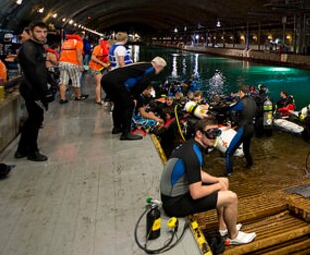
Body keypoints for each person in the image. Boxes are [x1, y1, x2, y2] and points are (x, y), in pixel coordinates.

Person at [160, 118, 256, 247]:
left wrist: (218, 180)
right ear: (199, 134)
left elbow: (197, 173)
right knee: (231, 198)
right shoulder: (193, 154)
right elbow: (196, 193)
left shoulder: (193, 146)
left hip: (176, 195)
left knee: (224, 181)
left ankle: (223, 228)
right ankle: (234, 236)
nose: (214, 137)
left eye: (217, 133)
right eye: (210, 133)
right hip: (175, 204)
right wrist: (217, 185)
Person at [101, 57, 167, 140]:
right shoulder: (152, 70)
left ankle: (117, 128)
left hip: (106, 79)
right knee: (129, 105)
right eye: (162, 69)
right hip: (116, 83)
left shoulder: (143, 64)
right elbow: (142, 84)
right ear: (160, 66)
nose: (160, 71)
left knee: (118, 103)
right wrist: (134, 97)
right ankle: (126, 133)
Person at [14, 22, 50, 161]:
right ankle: (32, 152)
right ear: (31, 32)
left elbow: (42, 69)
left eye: (45, 32)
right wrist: (44, 90)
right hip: (32, 88)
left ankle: (22, 149)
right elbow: (32, 71)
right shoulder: (29, 47)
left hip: (35, 87)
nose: (42, 34)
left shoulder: (38, 47)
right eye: (38, 31)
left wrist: (51, 82)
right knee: (36, 119)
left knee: (33, 119)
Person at [222, 86, 257, 173]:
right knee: (246, 150)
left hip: (243, 129)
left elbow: (229, 109)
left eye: (238, 93)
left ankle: (229, 173)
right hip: (251, 128)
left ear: (241, 92)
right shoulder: (253, 101)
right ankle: (250, 166)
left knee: (229, 152)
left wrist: (211, 108)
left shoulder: (242, 102)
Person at [58, 33, 87, 103]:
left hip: (62, 63)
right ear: (81, 37)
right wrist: (81, 66)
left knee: (63, 81)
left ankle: (62, 98)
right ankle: (78, 96)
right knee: (76, 81)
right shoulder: (78, 42)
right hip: (73, 63)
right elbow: (79, 55)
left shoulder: (66, 42)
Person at [88, 39, 110, 105]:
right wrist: (102, 64)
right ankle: (98, 100)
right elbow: (93, 57)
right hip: (95, 67)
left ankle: (107, 97)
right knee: (99, 83)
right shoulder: (97, 48)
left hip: (104, 68)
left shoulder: (109, 49)